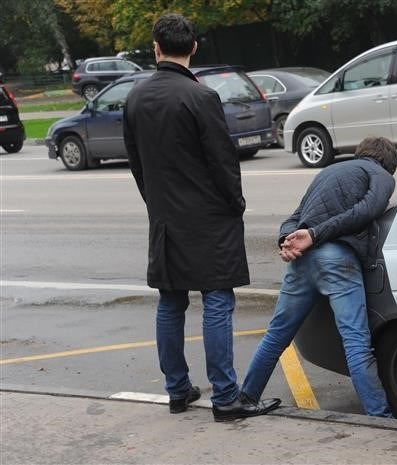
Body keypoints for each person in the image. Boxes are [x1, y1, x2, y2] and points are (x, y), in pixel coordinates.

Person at [123, 13, 280, 422]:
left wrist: (155, 204)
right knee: (216, 301)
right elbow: (222, 161)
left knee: (171, 302)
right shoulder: (201, 97)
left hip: (166, 219)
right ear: (193, 48)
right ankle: (225, 397)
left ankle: (177, 389)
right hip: (209, 218)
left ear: (156, 48)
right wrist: (236, 204)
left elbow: (136, 164)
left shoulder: (136, 97)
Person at [240, 136, 397, 418]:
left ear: (360, 153)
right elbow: (366, 211)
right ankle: (380, 416)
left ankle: (246, 398)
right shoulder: (381, 175)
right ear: (388, 163)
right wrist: (314, 235)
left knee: (276, 335)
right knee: (356, 342)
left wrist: (286, 241)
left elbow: (294, 218)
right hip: (337, 258)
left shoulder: (328, 172)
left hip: (302, 261)